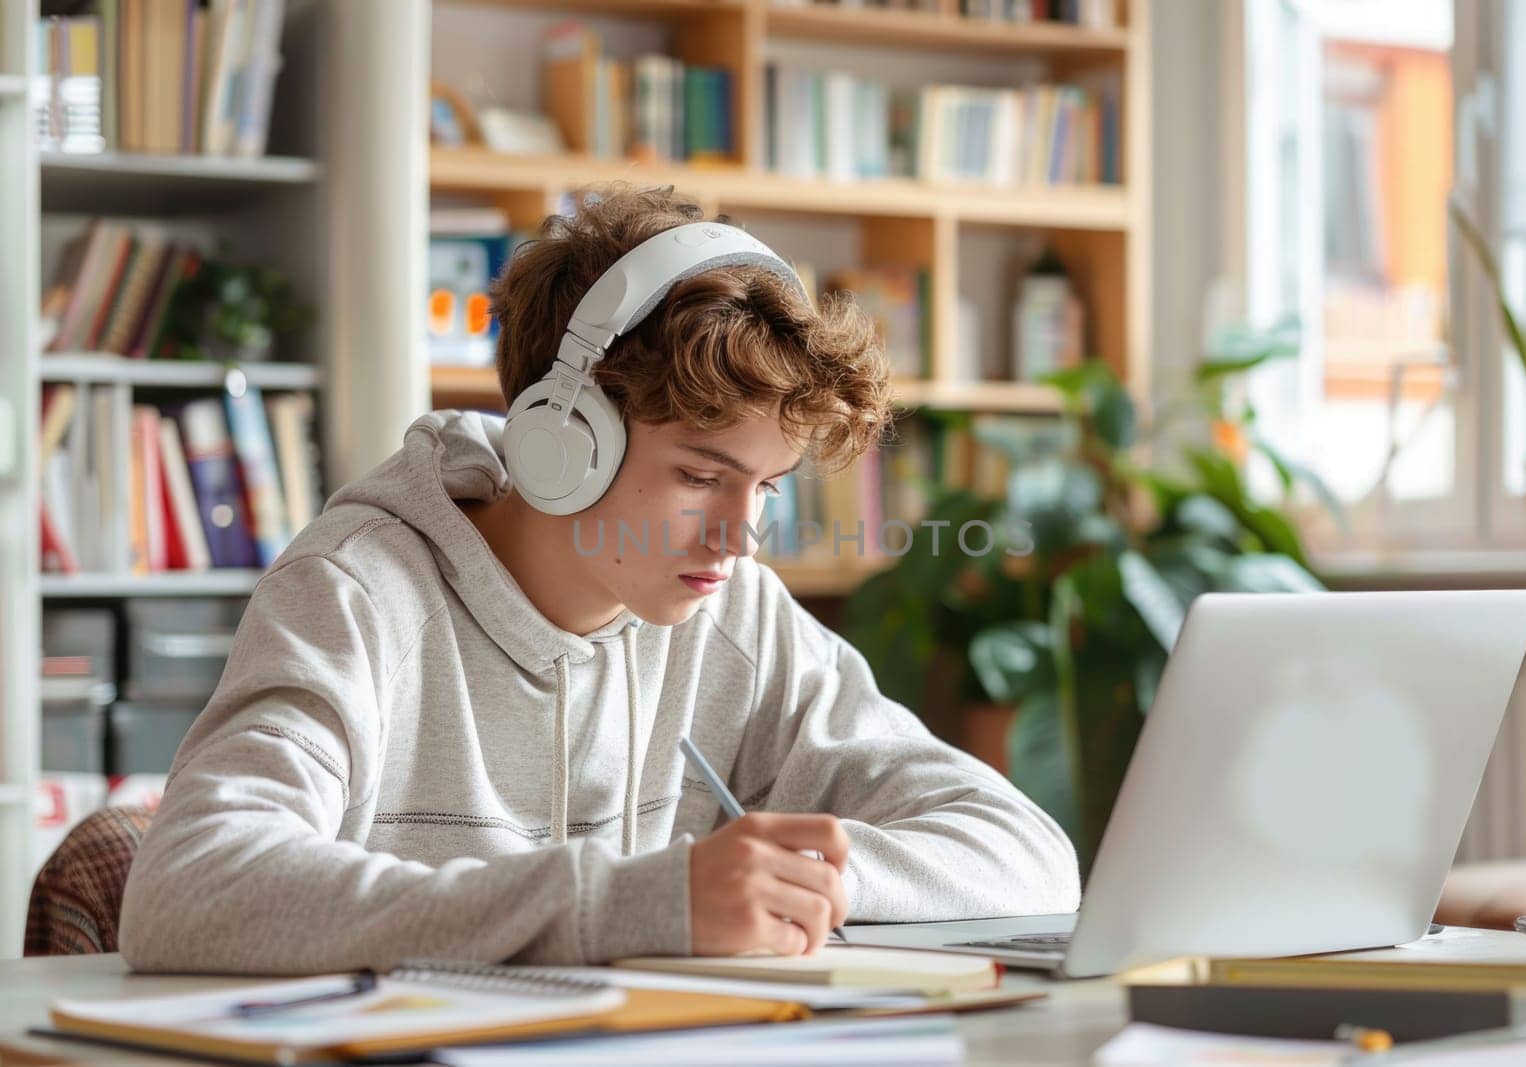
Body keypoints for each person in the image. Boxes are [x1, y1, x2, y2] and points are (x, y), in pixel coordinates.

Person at [120, 184, 1079, 975]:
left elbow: (1028, 856)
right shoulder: (359, 593)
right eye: (702, 476)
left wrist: (793, 881)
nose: (742, 534)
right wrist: (628, 901)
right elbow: (189, 887)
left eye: (767, 486)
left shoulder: (731, 611)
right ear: (558, 442)